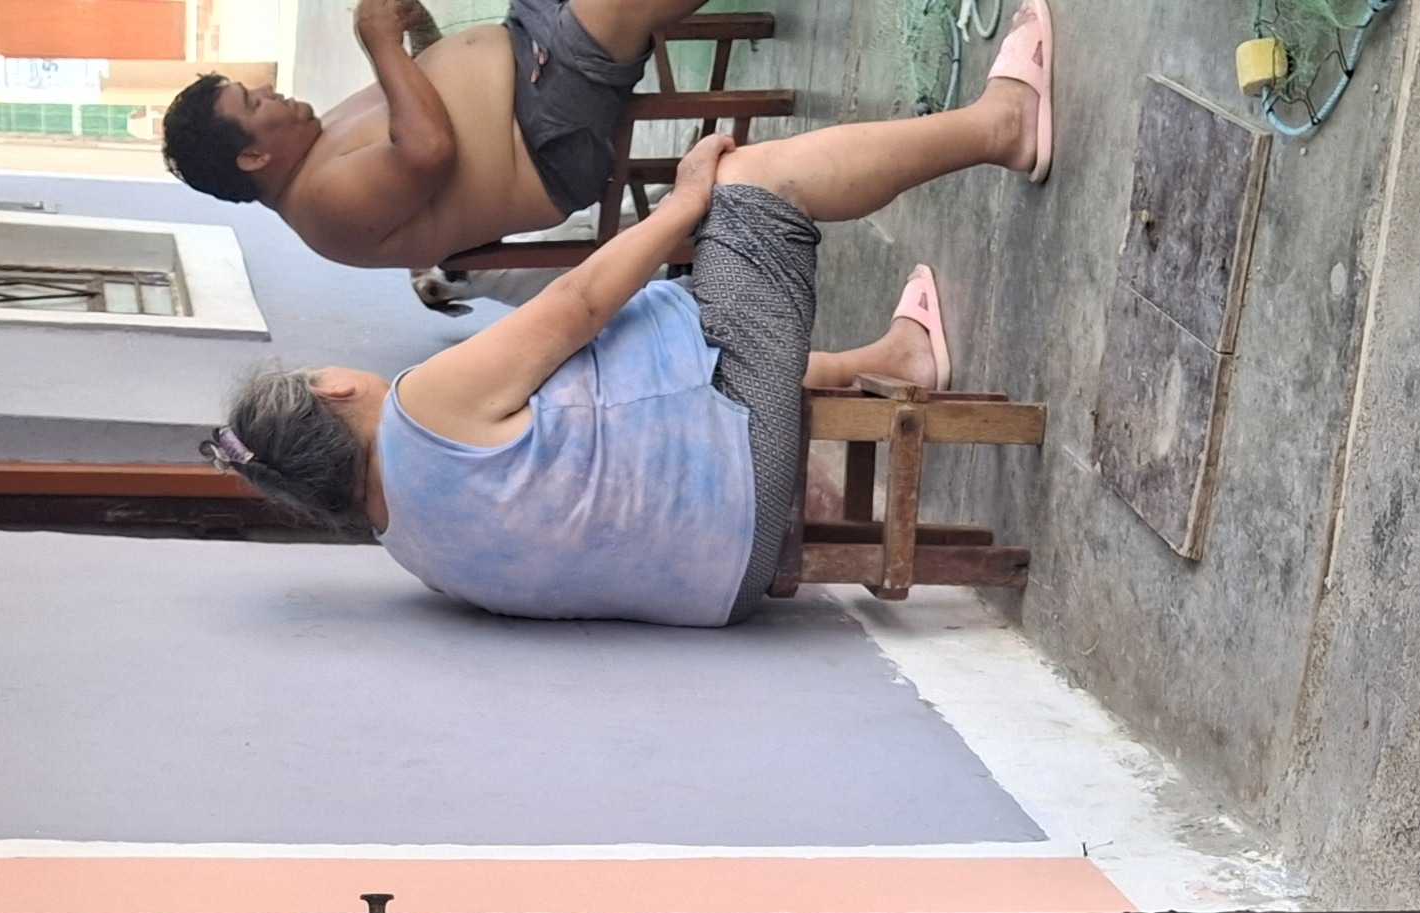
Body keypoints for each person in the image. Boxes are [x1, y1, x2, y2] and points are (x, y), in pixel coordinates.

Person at [200, 3, 1054, 627]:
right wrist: (684, 205)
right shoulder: (420, 409)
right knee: (749, 185)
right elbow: (575, 304)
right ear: (333, 394)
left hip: (733, 579)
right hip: (742, 459)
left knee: (648, 370)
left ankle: (896, 360)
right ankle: (1002, 126)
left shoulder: (416, 555)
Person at [161, 0, 713, 270]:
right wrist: (379, 43)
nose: (268, 90)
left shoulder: (315, 147)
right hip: (545, 132)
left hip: (528, 55)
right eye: (253, 102)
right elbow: (429, 151)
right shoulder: (324, 207)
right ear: (253, 156)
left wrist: (414, 28)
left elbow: (425, 97)